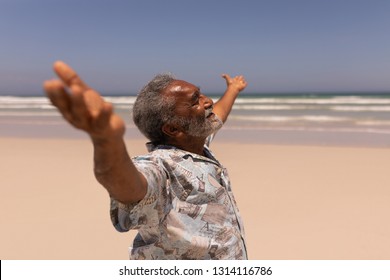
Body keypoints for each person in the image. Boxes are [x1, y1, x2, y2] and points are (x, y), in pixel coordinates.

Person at [43, 61, 248, 260]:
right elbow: (130, 187)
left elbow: (217, 114)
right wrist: (106, 140)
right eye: (195, 101)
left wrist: (233, 89)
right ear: (173, 129)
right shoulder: (162, 167)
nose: (207, 101)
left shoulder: (196, 141)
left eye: (200, 93)